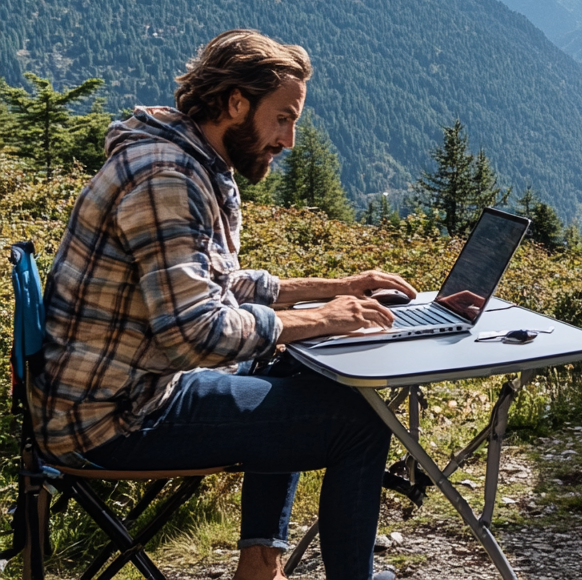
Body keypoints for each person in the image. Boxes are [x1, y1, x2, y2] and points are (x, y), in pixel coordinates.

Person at [33, 30, 416, 580]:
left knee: (297, 367)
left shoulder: (186, 159)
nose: (287, 139)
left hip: (125, 388)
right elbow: (195, 333)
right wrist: (318, 320)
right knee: (358, 421)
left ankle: (260, 567)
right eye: (282, 118)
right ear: (236, 102)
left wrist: (334, 289)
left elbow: (219, 286)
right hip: (113, 418)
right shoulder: (166, 178)